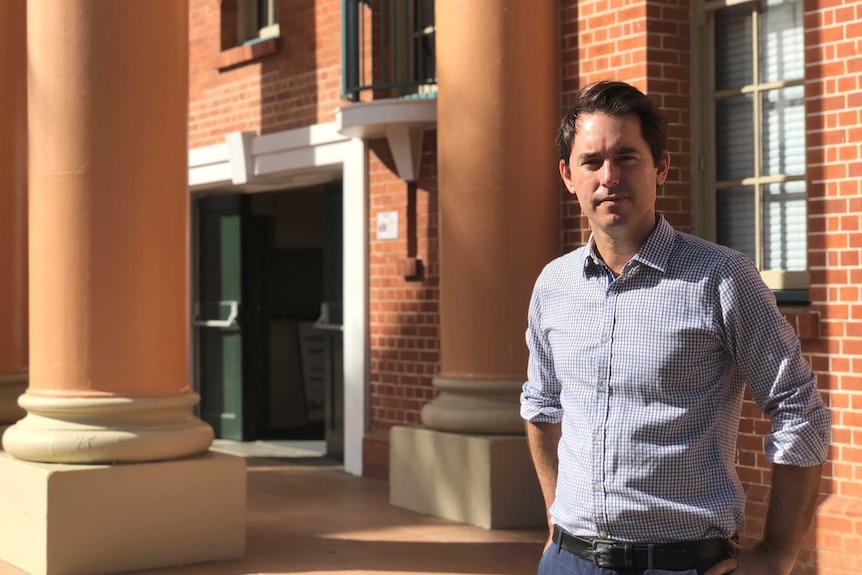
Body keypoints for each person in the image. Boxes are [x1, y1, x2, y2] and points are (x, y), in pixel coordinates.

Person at [520, 81, 831, 575]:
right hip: (569, 562)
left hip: (682, 565)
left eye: (627, 157)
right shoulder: (553, 285)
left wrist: (776, 554)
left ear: (661, 166)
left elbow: (800, 411)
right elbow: (541, 406)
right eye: (591, 162)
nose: (609, 177)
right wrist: (556, 521)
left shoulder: (722, 278)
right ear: (567, 175)